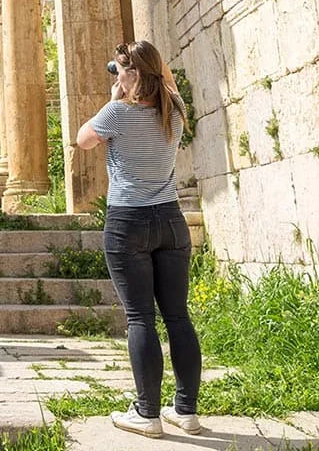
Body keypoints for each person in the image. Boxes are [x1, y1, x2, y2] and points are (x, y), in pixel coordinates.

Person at [74, 40, 202, 438]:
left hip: (128, 221)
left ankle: (147, 413)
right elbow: (167, 80)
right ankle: (186, 411)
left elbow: (83, 139)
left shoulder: (117, 113)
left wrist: (115, 95)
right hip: (171, 220)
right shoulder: (174, 111)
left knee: (140, 317)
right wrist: (139, 70)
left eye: (120, 69)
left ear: (131, 76)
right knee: (178, 316)